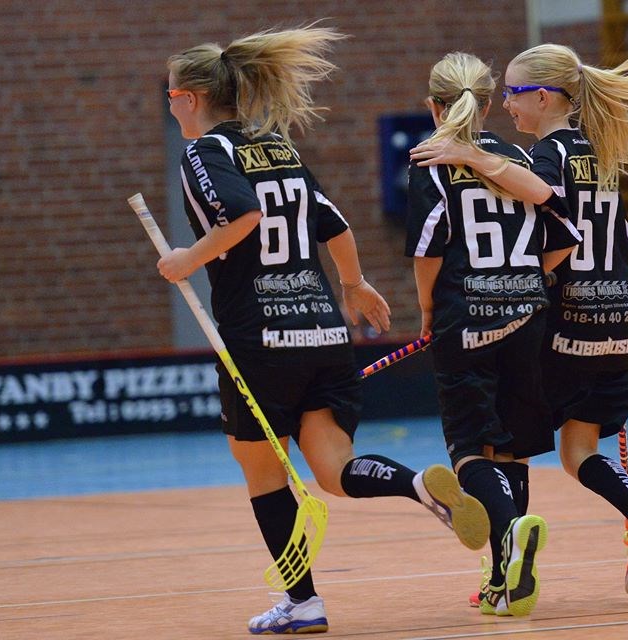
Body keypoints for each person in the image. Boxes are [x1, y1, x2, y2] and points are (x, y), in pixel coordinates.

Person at [160, 26, 489, 635]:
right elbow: (333, 222)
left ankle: (303, 603)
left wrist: (188, 259)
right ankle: (416, 484)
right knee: (335, 471)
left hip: (260, 338)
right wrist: (354, 285)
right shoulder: (276, 146)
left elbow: (244, 215)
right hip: (323, 332)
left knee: (264, 475)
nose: (171, 103)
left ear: (192, 98)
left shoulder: (205, 151)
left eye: (172, 93)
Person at [411, 43, 628, 598]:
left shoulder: (545, 156)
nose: (507, 104)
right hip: (618, 319)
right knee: (578, 452)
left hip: (564, 323)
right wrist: (620, 305)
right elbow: (627, 248)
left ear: (545, 97)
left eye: (515, 93)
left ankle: (505, 569)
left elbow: (551, 215)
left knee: (504, 443)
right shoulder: (601, 154)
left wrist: (477, 159)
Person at [404, 51, 581, 617]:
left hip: (467, 316)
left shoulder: (431, 159)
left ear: (434, 106)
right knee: (513, 447)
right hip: (528, 313)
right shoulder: (518, 157)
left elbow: (429, 248)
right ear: (487, 105)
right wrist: (528, 279)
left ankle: (510, 535)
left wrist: (428, 309)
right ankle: (506, 578)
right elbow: (564, 233)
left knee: (467, 448)